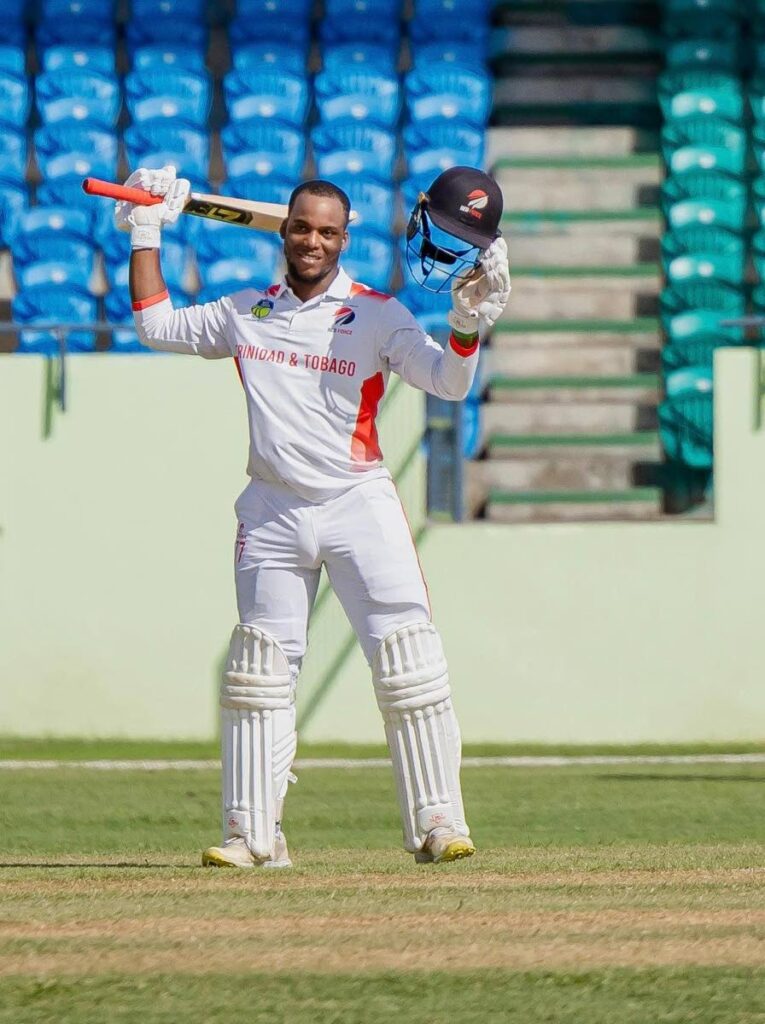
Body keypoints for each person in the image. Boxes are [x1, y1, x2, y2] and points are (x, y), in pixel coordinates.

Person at [117, 165, 511, 868]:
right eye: (301, 228)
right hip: (271, 508)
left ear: (343, 237)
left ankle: (438, 824)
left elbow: (448, 385)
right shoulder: (244, 311)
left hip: (358, 504)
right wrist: (146, 229)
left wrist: (465, 322)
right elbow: (154, 326)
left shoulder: (376, 314)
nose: (311, 241)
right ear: (286, 230)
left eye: (327, 232)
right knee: (259, 670)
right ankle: (253, 836)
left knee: (407, 662)